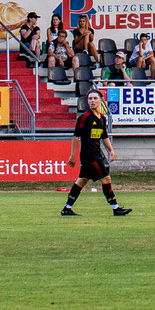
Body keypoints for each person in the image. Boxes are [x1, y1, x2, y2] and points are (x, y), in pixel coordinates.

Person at [60, 88, 130, 217]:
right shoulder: (84, 117)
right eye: (90, 99)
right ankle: (116, 208)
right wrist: (73, 155)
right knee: (106, 178)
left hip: (97, 153)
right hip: (89, 155)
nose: (92, 101)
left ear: (100, 101)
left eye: (95, 98)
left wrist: (111, 150)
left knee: (82, 181)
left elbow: (104, 137)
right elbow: (76, 137)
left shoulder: (102, 118)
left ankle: (67, 208)